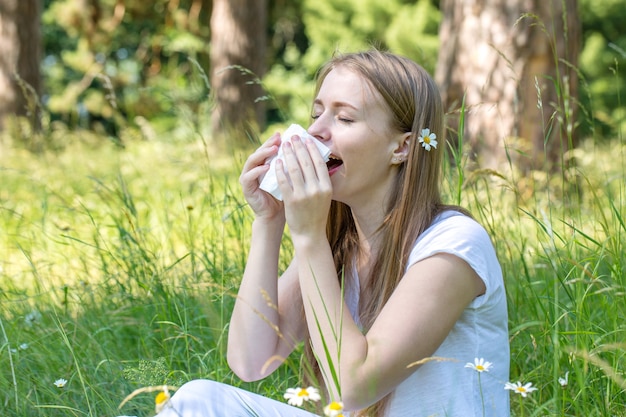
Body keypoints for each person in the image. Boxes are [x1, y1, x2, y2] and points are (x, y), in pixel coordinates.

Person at [156, 49, 510, 417]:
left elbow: (355, 388)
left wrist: (308, 237)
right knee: (198, 401)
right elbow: (251, 361)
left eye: (343, 117)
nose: (315, 131)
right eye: (316, 112)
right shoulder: (343, 243)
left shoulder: (453, 246)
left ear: (402, 147)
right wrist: (269, 221)